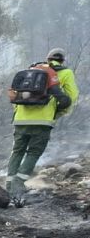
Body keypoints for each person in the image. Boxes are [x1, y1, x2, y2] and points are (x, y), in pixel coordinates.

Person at [7, 48, 79, 206]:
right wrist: (58, 113)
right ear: (62, 60)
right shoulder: (65, 73)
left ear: (48, 59)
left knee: (17, 151)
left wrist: (18, 116)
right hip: (42, 121)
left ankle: (9, 186)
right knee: (33, 152)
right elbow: (71, 97)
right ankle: (19, 182)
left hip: (20, 119)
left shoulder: (33, 71)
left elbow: (17, 96)